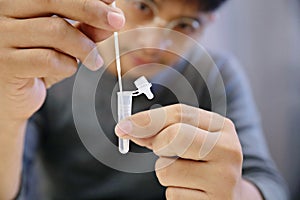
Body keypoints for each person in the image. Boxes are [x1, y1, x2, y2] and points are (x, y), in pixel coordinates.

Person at [0, 0, 289, 199]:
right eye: (142, 6)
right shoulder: (46, 67)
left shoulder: (216, 76)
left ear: (208, 23)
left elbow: (270, 186)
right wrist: (10, 112)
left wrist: (235, 194)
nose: (155, 43)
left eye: (185, 25)